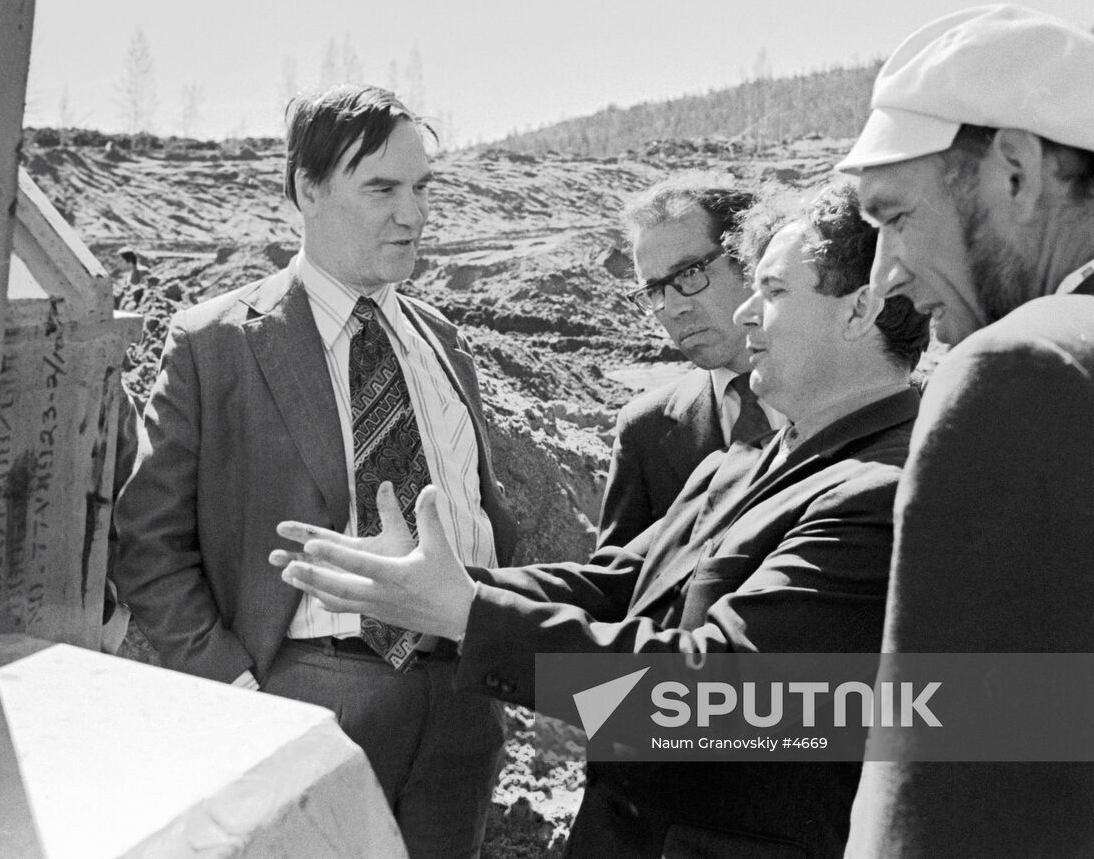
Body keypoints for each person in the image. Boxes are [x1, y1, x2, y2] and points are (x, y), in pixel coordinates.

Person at [272, 184, 930, 858]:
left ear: (859, 312)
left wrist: (470, 617)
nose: (748, 313)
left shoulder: (880, 496)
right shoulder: (751, 458)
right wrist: (435, 590)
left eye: (776, 292)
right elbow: (617, 586)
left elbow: (717, 699)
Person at [114, 85, 517, 859]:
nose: (414, 214)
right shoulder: (216, 345)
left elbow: (481, 512)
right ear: (308, 189)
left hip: (462, 703)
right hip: (308, 698)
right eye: (383, 189)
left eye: (422, 187)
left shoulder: (442, 342)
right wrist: (239, 697)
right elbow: (148, 546)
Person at [836, 4, 1094, 858]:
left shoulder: (1032, 376)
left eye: (893, 218)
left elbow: (974, 814)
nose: (884, 281)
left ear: (1017, 173)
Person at [598, 177, 782, 548]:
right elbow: (615, 586)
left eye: (690, 273)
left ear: (749, 260)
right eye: (654, 290)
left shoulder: (865, 395)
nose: (673, 307)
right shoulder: (644, 432)